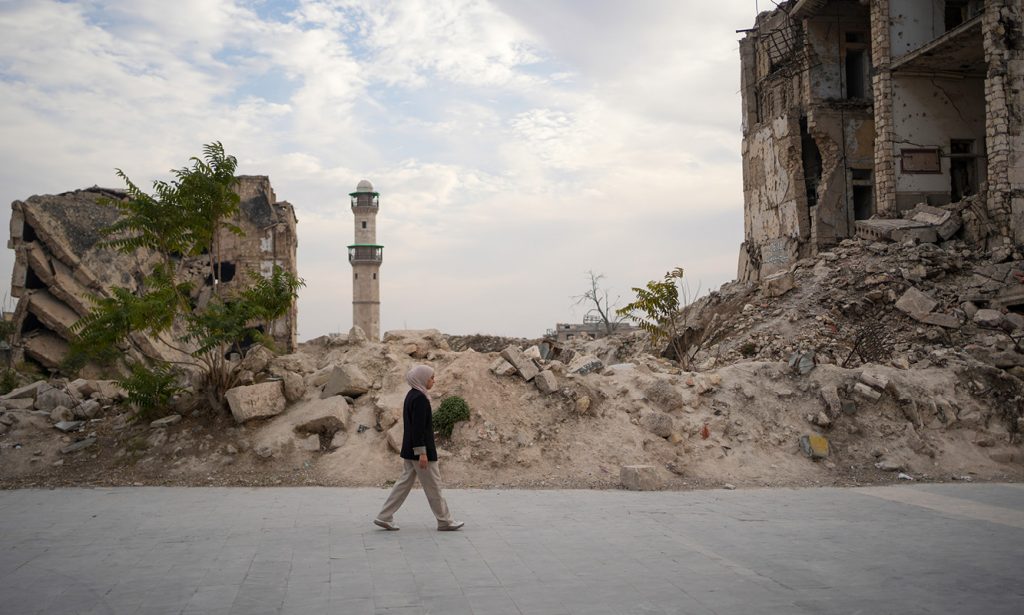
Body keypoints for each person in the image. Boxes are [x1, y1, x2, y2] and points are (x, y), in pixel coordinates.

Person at [374, 365, 464, 531]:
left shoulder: (412, 395)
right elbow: (418, 428)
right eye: (431, 378)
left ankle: (384, 516)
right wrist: (422, 453)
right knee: (434, 486)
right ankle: (445, 521)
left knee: (403, 485)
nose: (433, 381)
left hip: (410, 450)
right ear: (422, 379)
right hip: (420, 452)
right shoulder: (420, 399)